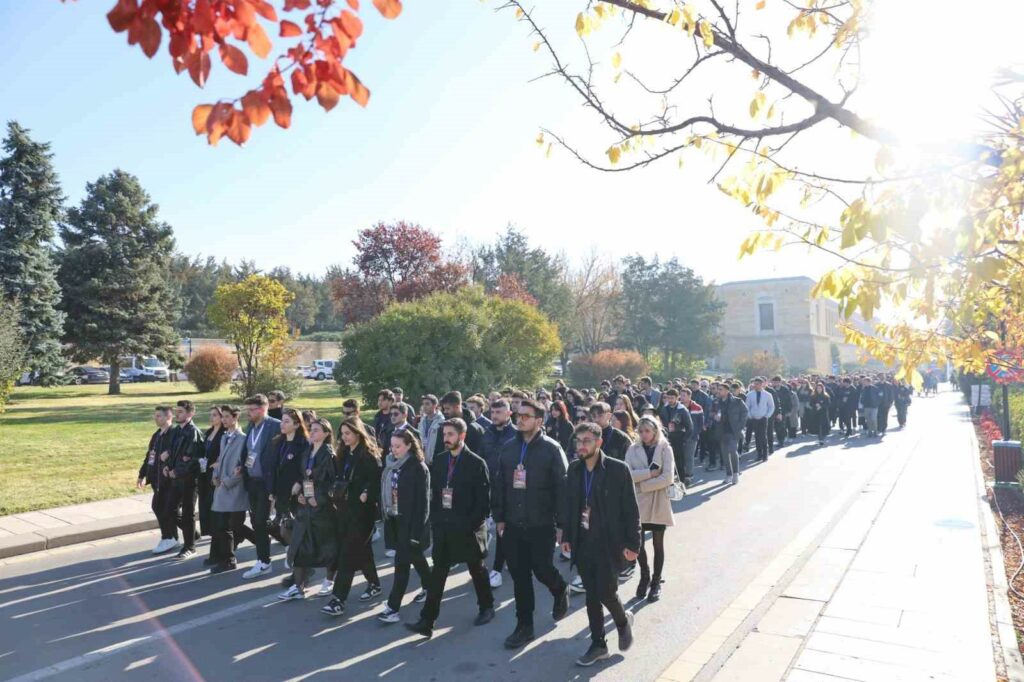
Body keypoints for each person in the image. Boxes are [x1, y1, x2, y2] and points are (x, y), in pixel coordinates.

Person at [492, 398, 570, 650]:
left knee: (542, 569)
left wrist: (562, 524)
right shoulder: (508, 448)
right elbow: (500, 484)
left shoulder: (551, 449)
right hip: (513, 524)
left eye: (526, 415)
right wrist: (500, 517)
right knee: (520, 576)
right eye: (518, 415)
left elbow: (562, 488)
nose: (520, 419)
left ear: (539, 420)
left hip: (542, 524)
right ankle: (524, 626)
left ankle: (559, 589)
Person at [406, 418, 495, 637]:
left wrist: (470, 525)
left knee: (477, 569)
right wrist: (436, 520)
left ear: (461, 436)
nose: (446, 439)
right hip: (444, 528)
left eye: (450, 435)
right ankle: (427, 620)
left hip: (468, 529)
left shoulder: (476, 463)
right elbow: (435, 494)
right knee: (438, 573)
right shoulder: (440, 460)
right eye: (444, 435)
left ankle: (487, 607)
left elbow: (483, 502)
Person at [562, 421, 640, 667]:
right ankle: (598, 645)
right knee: (591, 594)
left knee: (606, 591)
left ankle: (622, 622)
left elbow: (631, 509)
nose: (581, 446)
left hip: (609, 543)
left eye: (586, 441)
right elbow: (570, 506)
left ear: (599, 442)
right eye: (578, 441)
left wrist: (633, 544)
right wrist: (566, 536)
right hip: (583, 541)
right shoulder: (574, 469)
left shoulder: (618, 469)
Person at [321, 417, 384, 616]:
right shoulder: (343, 454)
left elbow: (376, 481)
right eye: (343, 434)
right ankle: (374, 583)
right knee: (362, 549)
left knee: (347, 554)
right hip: (344, 510)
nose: (344, 437)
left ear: (358, 433)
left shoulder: (368, 456)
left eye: (348, 433)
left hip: (362, 513)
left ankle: (338, 599)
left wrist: (366, 493)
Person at [278, 418, 337, 601]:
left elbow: (333, 483)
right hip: (305, 507)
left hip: (322, 509)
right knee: (299, 546)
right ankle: (298, 586)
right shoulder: (307, 451)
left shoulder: (329, 455)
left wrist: (318, 499)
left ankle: (329, 581)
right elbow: (304, 476)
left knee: (327, 547)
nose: (312, 433)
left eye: (317, 430)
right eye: (311, 430)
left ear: (326, 434)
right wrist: (301, 492)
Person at [378, 427, 432, 623]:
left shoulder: (418, 468)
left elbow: (423, 504)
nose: (394, 450)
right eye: (392, 446)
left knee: (401, 565)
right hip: (395, 520)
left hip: (411, 524)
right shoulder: (391, 464)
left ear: (409, 445)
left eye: (398, 446)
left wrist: (416, 533)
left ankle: (393, 607)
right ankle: (431, 586)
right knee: (416, 558)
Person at [624, 416, 675, 602]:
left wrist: (643, 485)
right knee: (638, 544)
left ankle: (655, 581)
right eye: (641, 431)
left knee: (658, 544)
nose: (644, 435)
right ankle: (644, 576)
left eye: (648, 431)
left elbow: (668, 477)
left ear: (655, 430)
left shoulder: (664, 448)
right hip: (637, 503)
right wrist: (650, 473)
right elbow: (626, 473)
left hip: (658, 501)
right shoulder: (633, 448)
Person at [210, 405, 255, 573]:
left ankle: (229, 559)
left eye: (227, 417)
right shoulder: (224, 437)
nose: (224, 420)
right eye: (223, 417)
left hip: (234, 489)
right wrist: (215, 475)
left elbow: (243, 466)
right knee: (223, 526)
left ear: (236, 418)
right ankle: (227, 557)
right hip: (222, 486)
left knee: (231, 526)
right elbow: (220, 459)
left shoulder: (243, 439)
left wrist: (228, 481)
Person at [241, 394, 282, 579]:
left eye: (251, 410)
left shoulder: (275, 425)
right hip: (252, 481)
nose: (248, 413)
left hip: (267, 482)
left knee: (260, 522)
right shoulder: (251, 426)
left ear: (262, 409)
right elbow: (249, 451)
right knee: (258, 522)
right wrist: (240, 467)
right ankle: (280, 549)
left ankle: (264, 562)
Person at [480, 398, 518, 589]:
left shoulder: (517, 435)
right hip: (490, 489)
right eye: (492, 413)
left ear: (509, 413)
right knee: (501, 528)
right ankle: (508, 560)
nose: (494, 416)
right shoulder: (486, 434)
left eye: (499, 413)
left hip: (511, 490)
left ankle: (496, 569)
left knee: (503, 528)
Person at [272, 409, 309, 588]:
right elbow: (274, 468)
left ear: (296, 424)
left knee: (297, 534)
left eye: (287, 421)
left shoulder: (303, 443)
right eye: (282, 421)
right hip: (282, 493)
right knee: (285, 532)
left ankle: (300, 574)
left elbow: (306, 468)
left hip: (296, 494)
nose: (282, 424)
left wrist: (299, 483)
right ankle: (299, 569)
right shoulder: (279, 442)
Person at [168, 400, 204, 560]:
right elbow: (171, 453)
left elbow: (192, 459)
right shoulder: (176, 431)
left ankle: (189, 546)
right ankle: (193, 534)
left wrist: (177, 471)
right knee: (170, 509)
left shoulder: (193, 432)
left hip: (189, 480)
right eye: (177, 411)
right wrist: (167, 467)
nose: (177, 414)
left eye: (181, 411)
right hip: (175, 478)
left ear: (190, 414)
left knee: (188, 513)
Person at [138, 405, 177, 554]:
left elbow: (177, 453)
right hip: (157, 479)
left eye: (159, 416)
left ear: (168, 417)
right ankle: (184, 536)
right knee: (165, 509)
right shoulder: (156, 435)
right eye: (155, 415)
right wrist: (142, 475)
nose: (156, 418)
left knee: (161, 508)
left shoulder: (173, 434)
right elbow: (150, 456)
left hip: (169, 480)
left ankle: (168, 537)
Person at [198, 406, 223, 564]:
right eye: (211, 415)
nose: (212, 417)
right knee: (206, 510)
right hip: (204, 475)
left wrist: (217, 464)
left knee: (216, 516)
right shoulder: (208, 433)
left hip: (215, 477)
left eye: (215, 415)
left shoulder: (223, 435)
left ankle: (217, 553)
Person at [715, 383, 749, 485]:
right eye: (718, 389)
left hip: (734, 431)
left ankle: (735, 474)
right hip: (722, 430)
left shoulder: (737, 401)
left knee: (733, 451)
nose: (718, 391)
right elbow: (713, 412)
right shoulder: (717, 402)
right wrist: (715, 417)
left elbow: (745, 412)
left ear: (727, 390)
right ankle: (728, 475)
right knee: (725, 454)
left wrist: (740, 426)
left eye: (720, 389)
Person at [659, 389, 694, 484]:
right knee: (667, 460)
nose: (670, 400)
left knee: (679, 461)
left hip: (679, 438)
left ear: (677, 398)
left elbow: (690, 427)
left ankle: (681, 482)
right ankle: (669, 481)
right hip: (666, 437)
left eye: (672, 398)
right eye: (668, 398)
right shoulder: (664, 408)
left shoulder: (682, 410)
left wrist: (684, 439)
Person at [436, 391, 485, 457]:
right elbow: (438, 451)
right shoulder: (443, 427)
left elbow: (479, 455)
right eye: (444, 409)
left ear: (457, 407)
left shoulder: (475, 429)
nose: (445, 411)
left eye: (447, 409)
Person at [744, 378, 775, 462]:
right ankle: (759, 454)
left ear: (761, 384)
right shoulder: (750, 394)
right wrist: (750, 415)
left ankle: (765, 454)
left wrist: (767, 415)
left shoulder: (768, 395)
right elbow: (747, 407)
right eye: (754, 384)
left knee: (763, 436)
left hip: (763, 418)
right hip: (754, 418)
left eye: (757, 384)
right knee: (757, 436)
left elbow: (771, 406)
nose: (755, 385)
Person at [679, 388, 703, 487]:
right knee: (680, 457)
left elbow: (700, 424)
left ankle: (689, 476)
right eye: (681, 395)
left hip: (692, 437)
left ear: (690, 396)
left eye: (684, 395)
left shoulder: (697, 407)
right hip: (679, 436)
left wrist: (694, 434)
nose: (682, 397)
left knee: (689, 457)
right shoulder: (678, 407)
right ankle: (680, 475)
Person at [770, 376, 794, 448]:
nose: (776, 383)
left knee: (781, 426)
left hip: (783, 410)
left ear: (780, 382)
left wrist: (789, 410)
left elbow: (789, 401)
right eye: (774, 382)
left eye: (777, 382)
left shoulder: (785, 390)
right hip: (774, 410)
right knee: (776, 427)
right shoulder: (771, 390)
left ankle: (782, 441)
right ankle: (779, 439)